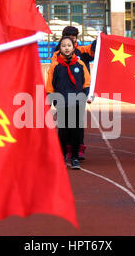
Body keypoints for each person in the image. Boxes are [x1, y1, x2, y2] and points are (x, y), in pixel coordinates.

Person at [52, 26, 96, 161]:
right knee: (64, 124)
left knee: (77, 123)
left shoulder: (82, 51)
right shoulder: (57, 54)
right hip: (63, 94)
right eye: (68, 36)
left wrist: (98, 39)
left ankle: (78, 149)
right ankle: (65, 149)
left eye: (74, 37)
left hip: (78, 93)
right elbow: (53, 74)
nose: (71, 39)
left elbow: (94, 51)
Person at [46, 36, 91, 169]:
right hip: (62, 102)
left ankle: (75, 157)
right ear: (60, 48)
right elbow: (50, 85)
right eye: (64, 46)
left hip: (77, 102)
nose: (66, 48)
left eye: (69, 45)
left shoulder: (80, 64)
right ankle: (62, 155)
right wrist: (52, 99)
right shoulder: (55, 65)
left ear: (73, 47)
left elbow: (86, 82)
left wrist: (84, 94)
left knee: (76, 130)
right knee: (63, 131)